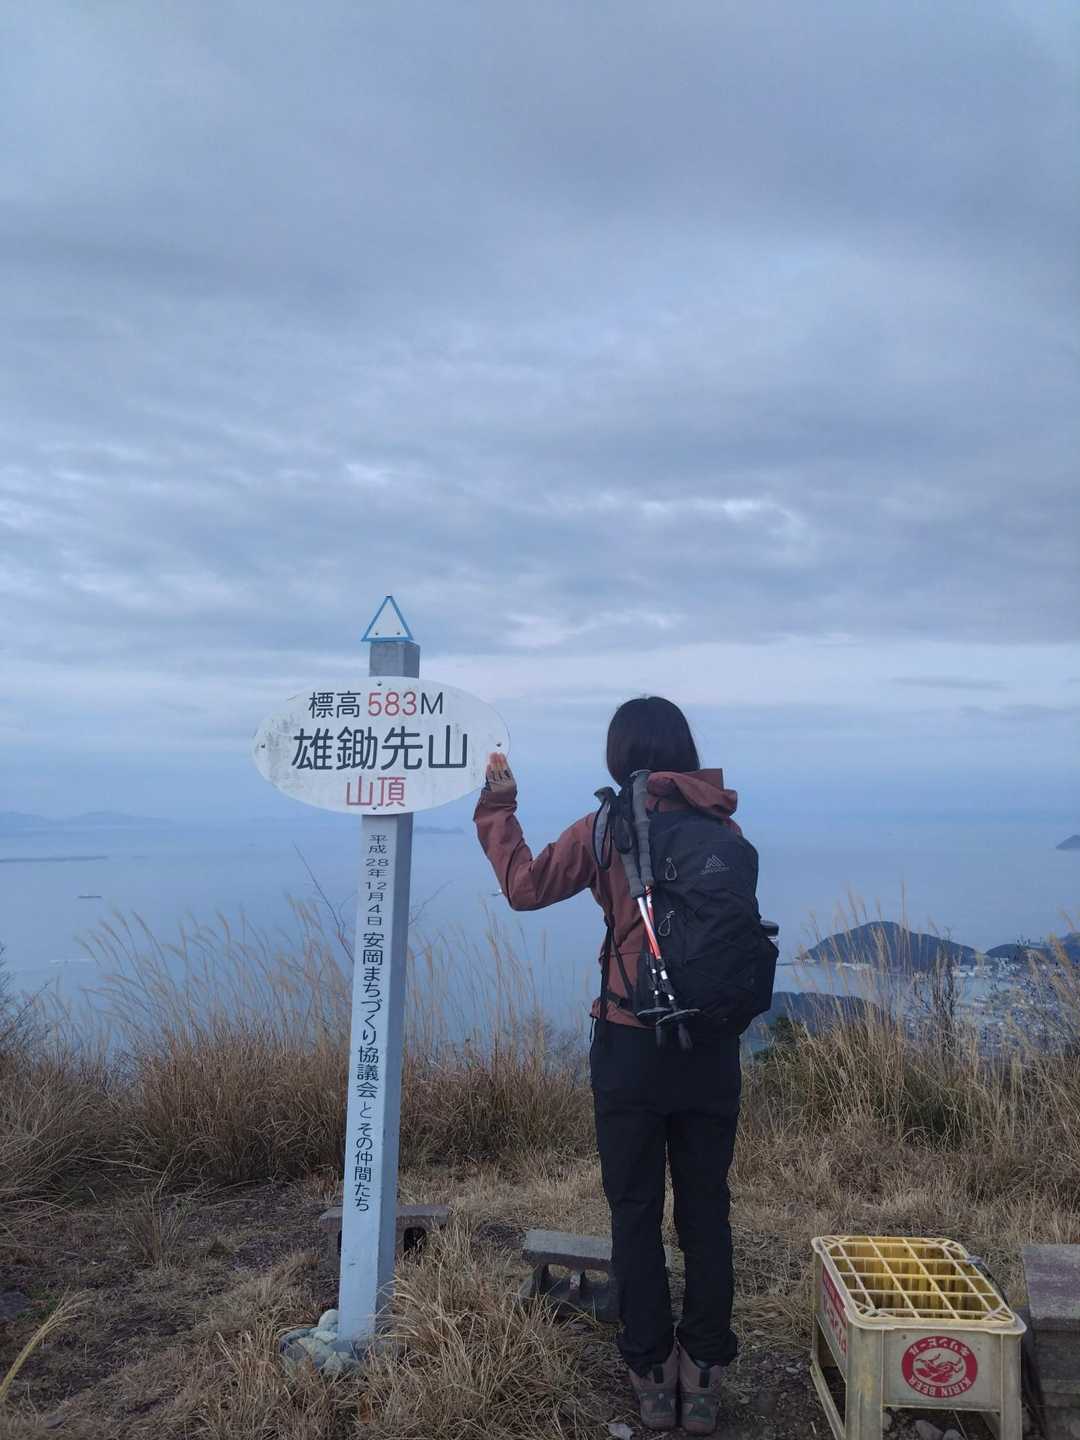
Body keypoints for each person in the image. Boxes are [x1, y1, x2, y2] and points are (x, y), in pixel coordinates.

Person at [474, 696, 745, 1436]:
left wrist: (497, 807)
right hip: (711, 1045)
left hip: (631, 1040)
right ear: (685, 751)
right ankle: (704, 1375)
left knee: (634, 1210)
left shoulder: (605, 826)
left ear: (618, 755)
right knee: (707, 1210)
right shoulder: (723, 825)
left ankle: (652, 1376)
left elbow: (524, 888)